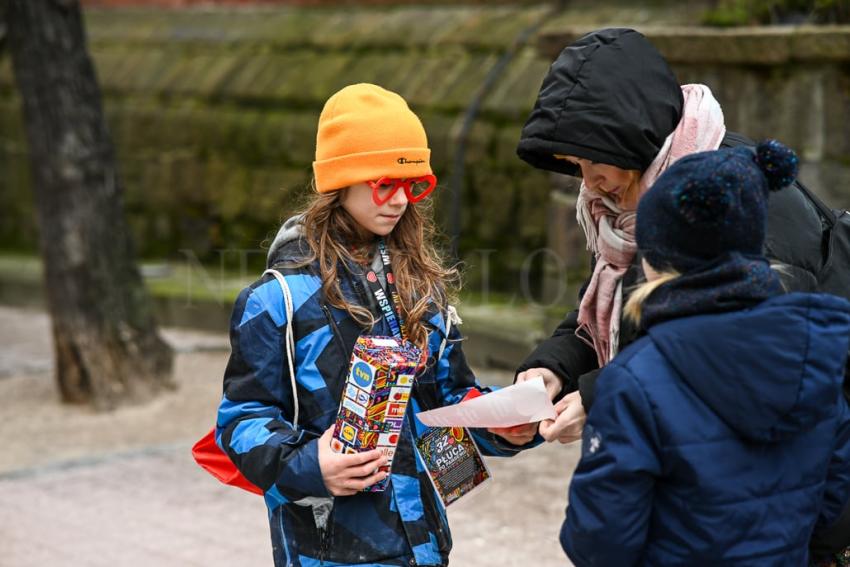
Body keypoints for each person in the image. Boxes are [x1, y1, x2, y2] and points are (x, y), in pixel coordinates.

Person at [215, 83, 535, 567]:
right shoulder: (275, 301)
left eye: (413, 185)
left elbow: (444, 404)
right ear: (341, 180)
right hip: (326, 552)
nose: (400, 200)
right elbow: (240, 422)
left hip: (425, 548)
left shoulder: (422, 285)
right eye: (384, 182)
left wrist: (502, 423)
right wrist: (311, 466)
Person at [512, 27, 840, 444]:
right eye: (575, 163)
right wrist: (553, 370)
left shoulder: (737, 195)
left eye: (595, 158)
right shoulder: (636, 200)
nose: (590, 182)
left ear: (633, 135)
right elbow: (617, 314)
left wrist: (601, 396)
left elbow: (742, 356)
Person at [560, 139, 850, 565]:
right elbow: (835, 495)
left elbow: (599, 535)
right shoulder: (814, 352)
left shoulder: (636, 378)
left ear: (657, 255)